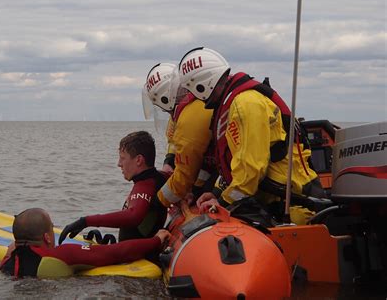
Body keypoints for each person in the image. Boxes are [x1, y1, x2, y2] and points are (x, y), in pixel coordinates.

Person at [176, 47, 327, 224]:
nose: (193, 96)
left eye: (192, 90)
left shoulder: (245, 105)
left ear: (202, 84)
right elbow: (236, 165)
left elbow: (250, 169)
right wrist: (216, 193)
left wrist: (223, 202)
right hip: (271, 200)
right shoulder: (235, 103)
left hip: (293, 205)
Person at [58, 131, 167, 244]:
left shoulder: (145, 185)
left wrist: (85, 221)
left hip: (136, 258)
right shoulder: (157, 178)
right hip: (132, 252)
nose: (119, 164)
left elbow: (133, 216)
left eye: (122, 158)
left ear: (139, 160)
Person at [0, 208, 170, 278]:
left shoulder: (6, 262)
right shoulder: (61, 254)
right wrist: (156, 240)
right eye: (52, 228)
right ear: (47, 237)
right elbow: (116, 252)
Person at [142, 63, 216, 208]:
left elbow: (186, 173)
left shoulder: (191, 115)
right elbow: (174, 142)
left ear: (165, 98)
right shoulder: (184, 109)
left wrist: (158, 202)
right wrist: (169, 161)